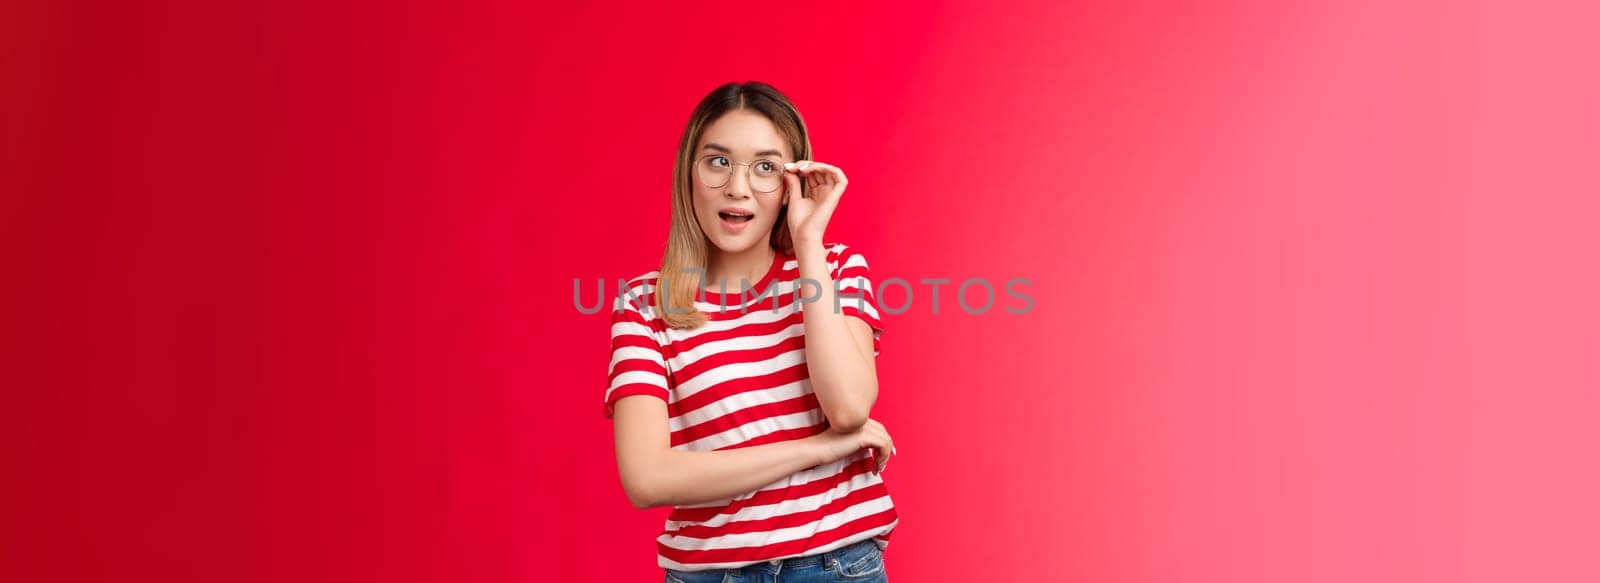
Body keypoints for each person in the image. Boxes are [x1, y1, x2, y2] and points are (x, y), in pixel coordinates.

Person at [604, 81, 898, 582]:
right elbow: (647, 478)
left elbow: (848, 409)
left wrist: (808, 242)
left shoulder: (836, 268)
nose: (738, 188)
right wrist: (816, 449)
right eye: (718, 161)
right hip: (708, 574)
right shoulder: (644, 304)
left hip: (836, 566)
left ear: (792, 183)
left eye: (765, 168)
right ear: (688, 173)